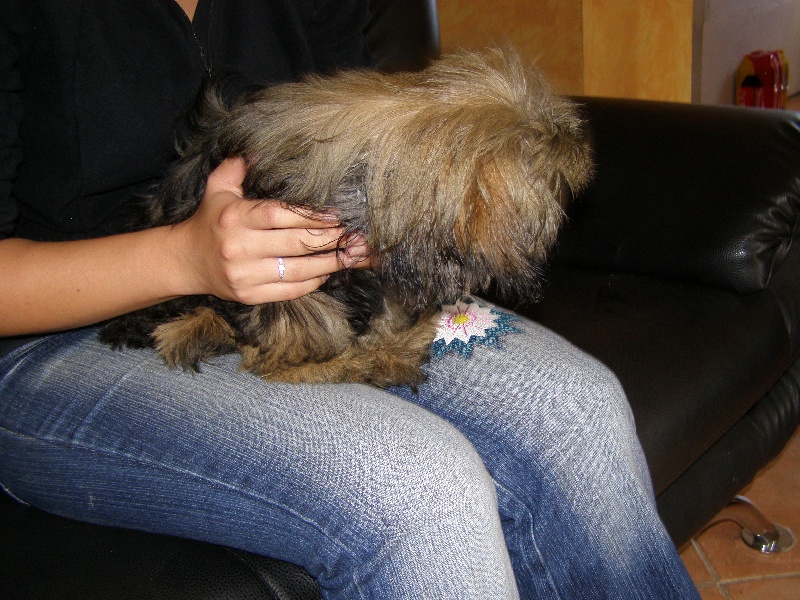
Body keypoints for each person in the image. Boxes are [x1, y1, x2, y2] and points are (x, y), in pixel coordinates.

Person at [0, 1, 699, 598]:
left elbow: (354, 127)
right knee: (419, 488)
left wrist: (392, 217)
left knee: (572, 407)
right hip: (62, 334)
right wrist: (183, 257)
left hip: (308, 295)